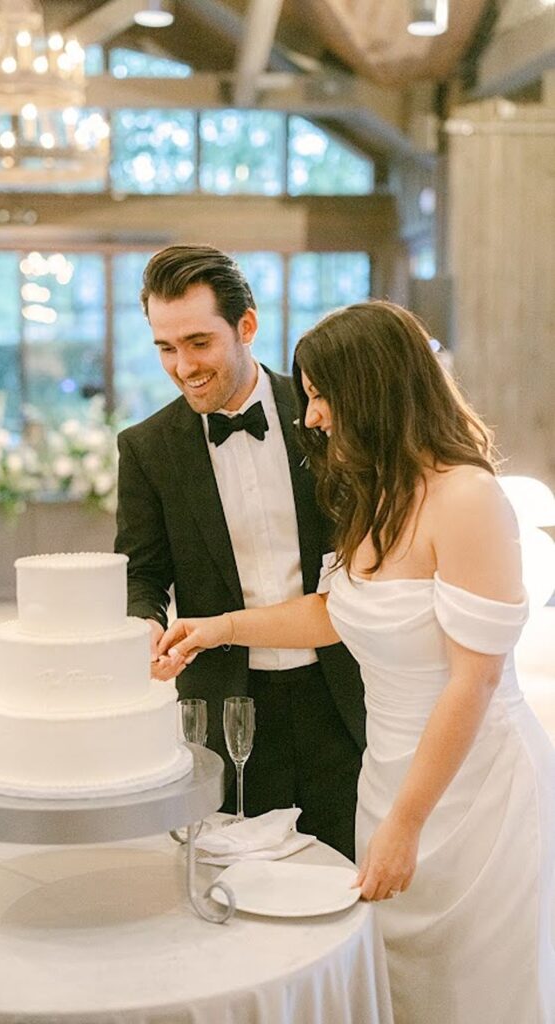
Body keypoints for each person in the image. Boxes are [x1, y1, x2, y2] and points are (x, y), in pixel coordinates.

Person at [159, 299, 555, 1024]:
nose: (311, 415)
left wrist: (406, 823)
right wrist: (220, 627)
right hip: (388, 773)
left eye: (321, 394)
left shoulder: (468, 499)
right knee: (400, 985)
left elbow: (477, 677)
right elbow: (335, 612)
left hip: (475, 791)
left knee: (476, 989)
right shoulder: (374, 493)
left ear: (374, 389)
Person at [114, 244, 365, 859]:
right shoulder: (147, 448)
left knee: (351, 866)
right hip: (229, 704)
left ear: (246, 326)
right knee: (238, 876)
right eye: (166, 347)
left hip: (343, 690)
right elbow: (142, 572)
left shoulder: (324, 419)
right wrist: (143, 622)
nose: (182, 366)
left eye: (199, 343)